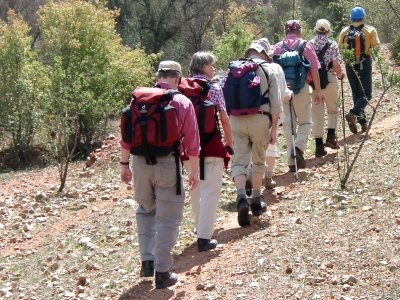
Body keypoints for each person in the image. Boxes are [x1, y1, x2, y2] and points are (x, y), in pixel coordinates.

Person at [120, 61, 200, 289]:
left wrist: (124, 164)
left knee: (145, 211)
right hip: (168, 164)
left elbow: (126, 134)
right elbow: (192, 142)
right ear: (178, 77)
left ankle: (147, 260)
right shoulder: (181, 101)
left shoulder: (138, 100)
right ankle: (162, 272)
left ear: (158, 77)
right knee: (168, 218)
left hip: (139, 164)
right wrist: (193, 171)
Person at [182, 51, 233, 252]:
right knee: (211, 191)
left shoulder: (181, 88)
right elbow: (224, 118)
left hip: (188, 149)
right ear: (204, 67)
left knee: (195, 188)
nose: (213, 70)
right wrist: (229, 143)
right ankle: (204, 238)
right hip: (211, 145)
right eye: (211, 66)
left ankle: (200, 230)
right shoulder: (214, 88)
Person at [230, 39, 281, 226]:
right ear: (263, 53)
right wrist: (274, 128)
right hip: (260, 118)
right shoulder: (269, 69)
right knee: (258, 159)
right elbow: (276, 104)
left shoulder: (235, 68)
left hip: (236, 119)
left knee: (239, 161)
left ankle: (241, 197)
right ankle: (257, 201)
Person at [273, 20, 322, 172]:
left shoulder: (277, 47)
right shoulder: (306, 45)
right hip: (301, 88)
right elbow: (314, 69)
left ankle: (291, 161)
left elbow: (273, 70)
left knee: (288, 125)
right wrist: (317, 91)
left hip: (283, 90)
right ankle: (299, 149)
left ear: (285, 31)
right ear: (299, 31)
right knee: (306, 122)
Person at [338, 6, 380, 134]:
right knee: (367, 94)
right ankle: (353, 114)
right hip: (364, 63)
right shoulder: (370, 30)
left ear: (351, 17)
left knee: (356, 93)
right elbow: (375, 48)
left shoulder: (344, 31)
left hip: (349, 64)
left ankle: (363, 124)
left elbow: (340, 48)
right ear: (363, 16)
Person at [310, 19, 345, 157]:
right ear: (328, 31)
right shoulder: (332, 44)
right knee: (333, 110)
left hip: (313, 83)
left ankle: (319, 146)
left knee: (317, 115)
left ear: (315, 30)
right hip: (329, 80)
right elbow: (335, 64)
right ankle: (331, 137)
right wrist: (341, 75)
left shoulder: (309, 44)